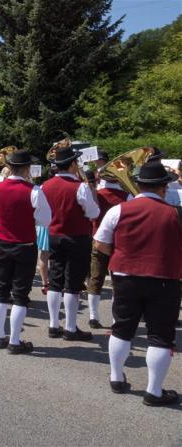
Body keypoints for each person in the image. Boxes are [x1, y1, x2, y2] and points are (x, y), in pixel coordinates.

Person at [94, 162, 181, 406]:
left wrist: (121, 256)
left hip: (125, 277)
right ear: (164, 188)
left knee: (122, 328)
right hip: (165, 279)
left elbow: (100, 243)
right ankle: (154, 391)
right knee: (160, 336)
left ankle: (116, 378)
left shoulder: (118, 210)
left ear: (138, 185)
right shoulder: (176, 213)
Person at [0, 149, 51, 353]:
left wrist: (2, 215)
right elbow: (46, 220)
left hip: (2, 243)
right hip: (25, 245)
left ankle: (0, 336)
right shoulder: (34, 191)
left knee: (1, 291)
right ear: (27, 169)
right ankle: (14, 340)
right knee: (20, 294)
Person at [42, 144, 100, 340]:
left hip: (54, 236)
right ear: (73, 164)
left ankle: (53, 325)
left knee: (55, 281)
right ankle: (70, 328)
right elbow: (94, 213)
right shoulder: (80, 187)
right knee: (73, 284)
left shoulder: (45, 185)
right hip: (76, 238)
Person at [87, 170, 132, 329]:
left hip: (98, 239)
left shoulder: (97, 193)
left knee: (95, 277)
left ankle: (93, 316)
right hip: (119, 243)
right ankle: (115, 319)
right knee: (117, 281)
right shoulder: (127, 196)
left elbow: (91, 216)